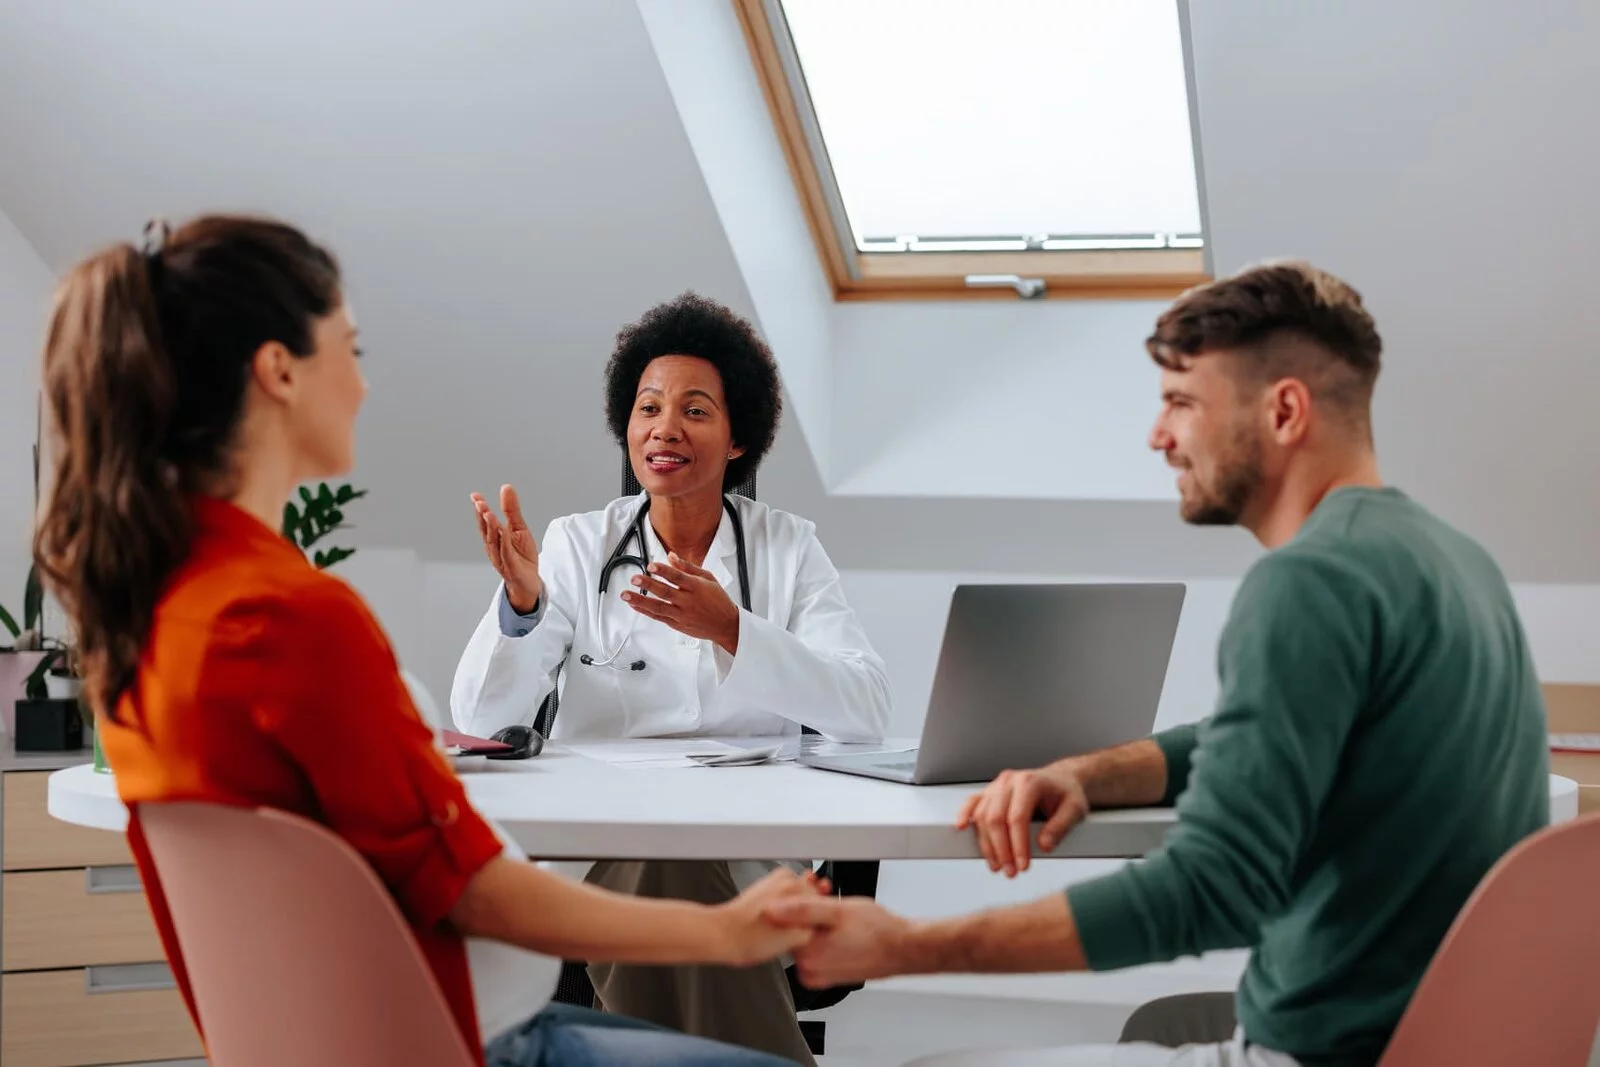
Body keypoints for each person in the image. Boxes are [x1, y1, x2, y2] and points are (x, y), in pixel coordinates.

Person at [32, 214, 826, 1067]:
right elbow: (477, 892)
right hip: (463, 1040)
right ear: (280, 372)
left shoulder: (154, 610)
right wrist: (726, 933)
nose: (366, 386)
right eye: (353, 348)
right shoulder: (293, 621)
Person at [762, 261, 1551, 1067]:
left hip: (1325, 1053)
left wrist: (906, 945)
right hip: (1455, 1038)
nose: (1157, 435)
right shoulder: (1454, 560)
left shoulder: (1310, 581)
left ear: (1283, 410)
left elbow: (1211, 888)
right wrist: (1088, 773)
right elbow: (1244, 738)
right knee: (1166, 1021)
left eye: (1181, 402)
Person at [451, 292, 891, 1064]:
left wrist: (732, 629)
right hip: (602, 843)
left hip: (748, 847)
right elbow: (482, 715)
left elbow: (865, 707)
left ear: (738, 437)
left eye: (694, 409)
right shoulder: (577, 545)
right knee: (655, 863)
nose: (665, 428)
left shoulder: (789, 549)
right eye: (648, 406)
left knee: (676, 871)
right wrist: (523, 605)